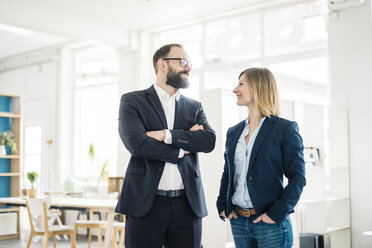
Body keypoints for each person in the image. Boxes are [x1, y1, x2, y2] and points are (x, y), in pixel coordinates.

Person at [115, 43, 216, 248]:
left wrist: (165, 135)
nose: (188, 68)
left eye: (189, 63)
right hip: (146, 203)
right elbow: (137, 144)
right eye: (183, 62)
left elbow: (208, 141)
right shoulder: (132, 101)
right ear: (162, 65)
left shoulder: (194, 107)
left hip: (188, 205)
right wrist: (184, 147)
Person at [216, 68, 306, 248]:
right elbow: (228, 173)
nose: (235, 89)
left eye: (241, 84)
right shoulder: (234, 132)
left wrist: (276, 213)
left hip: (269, 223)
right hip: (239, 222)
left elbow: (298, 178)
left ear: (259, 87)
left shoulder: (284, 129)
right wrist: (223, 204)